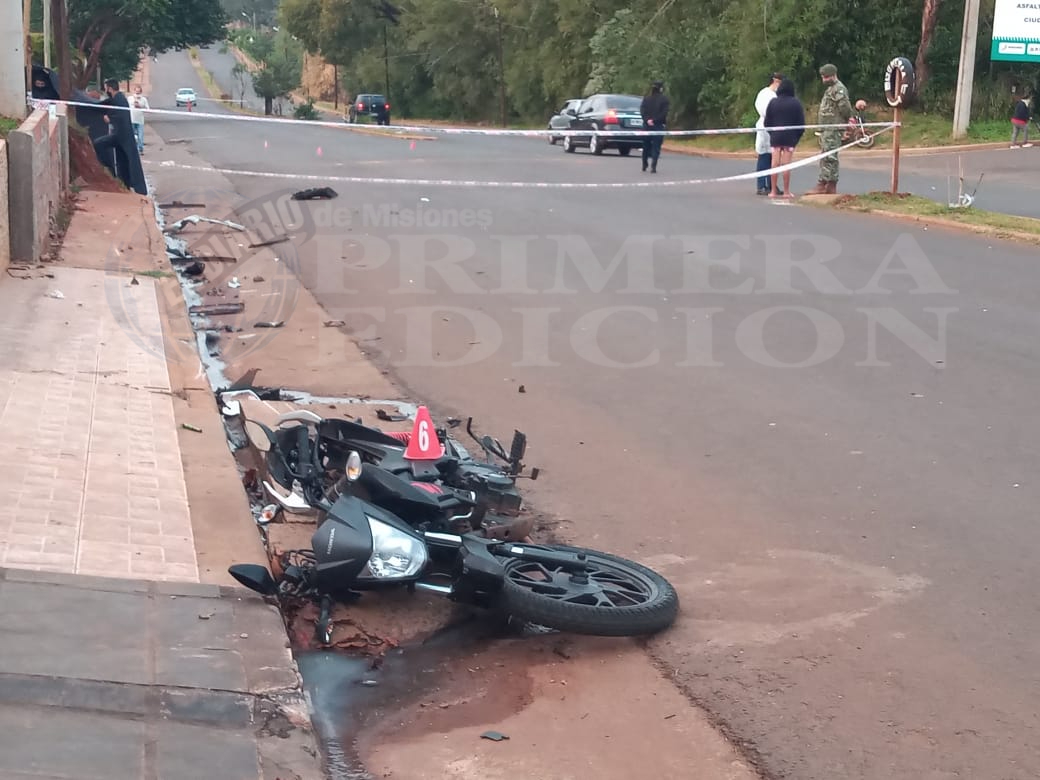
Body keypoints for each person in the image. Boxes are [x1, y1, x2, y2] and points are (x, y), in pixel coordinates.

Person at [92, 78, 148, 195]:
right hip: (119, 135)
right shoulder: (117, 98)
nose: (105, 90)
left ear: (110, 88)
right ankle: (122, 181)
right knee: (122, 159)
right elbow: (106, 105)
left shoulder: (120, 99)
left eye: (106, 88)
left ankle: (111, 172)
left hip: (123, 136)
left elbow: (120, 115)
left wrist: (110, 118)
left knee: (100, 144)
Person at [807, 63, 854, 194]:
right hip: (827, 127)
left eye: (826, 77)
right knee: (827, 155)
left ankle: (824, 183)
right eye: (823, 77)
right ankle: (829, 184)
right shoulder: (831, 89)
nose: (824, 80)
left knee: (829, 156)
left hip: (833, 127)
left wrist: (848, 119)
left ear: (833, 75)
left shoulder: (838, 89)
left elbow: (844, 107)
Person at [763, 78, 805, 199]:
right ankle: (786, 191)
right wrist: (796, 138)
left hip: (776, 137)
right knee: (786, 165)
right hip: (790, 138)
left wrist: (772, 134)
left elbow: (767, 122)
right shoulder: (796, 103)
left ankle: (773, 191)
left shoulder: (773, 102)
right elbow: (801, 124)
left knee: (774, 163)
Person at [755, 72, 783, 195]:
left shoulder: (774, 95)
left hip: (773, 127)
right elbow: (765, 111)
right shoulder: (765, 94)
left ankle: (772, 184)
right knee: (764, 156)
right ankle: (762, 185)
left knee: (773, 157)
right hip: (765, 127)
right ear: (775, 81)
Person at [640, 80, 670, 173]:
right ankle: (653, 166)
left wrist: (647, 120)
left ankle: (644, 164)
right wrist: (655, 120)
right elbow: (664, 113)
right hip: (658, 125)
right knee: (656, 147)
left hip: (647, 126)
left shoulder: (646, 99)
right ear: (661, 89)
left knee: (646, 146)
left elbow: (642, 111)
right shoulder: (664, 100)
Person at [129, 85, 150, 154]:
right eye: (136, 92)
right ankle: (133, 149)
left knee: (140, 136)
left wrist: (140, 106)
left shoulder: (144, 99)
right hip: (132, 120)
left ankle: (140, 149)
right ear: (134, 91)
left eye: (139, 92)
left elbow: (148, 109)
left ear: (141, 92)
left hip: (140, 120)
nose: (137, 94)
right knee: (132, 136)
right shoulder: (130, 99)